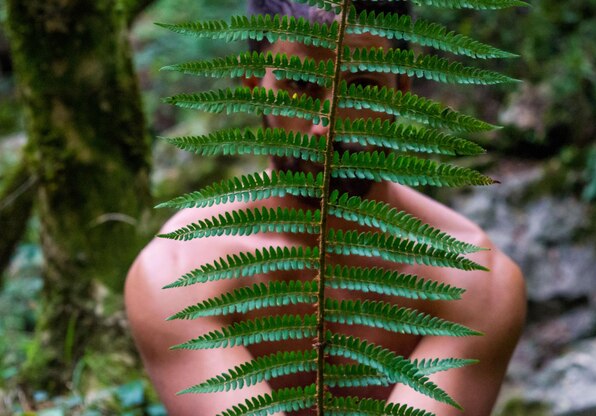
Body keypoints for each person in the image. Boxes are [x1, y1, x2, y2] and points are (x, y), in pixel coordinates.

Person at [125, 1, 527, 414]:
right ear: (252, 84)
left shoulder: (474, 277)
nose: (326, 123)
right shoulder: (178, 273)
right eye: (301, 84)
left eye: (362, 86)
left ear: (401, 90)